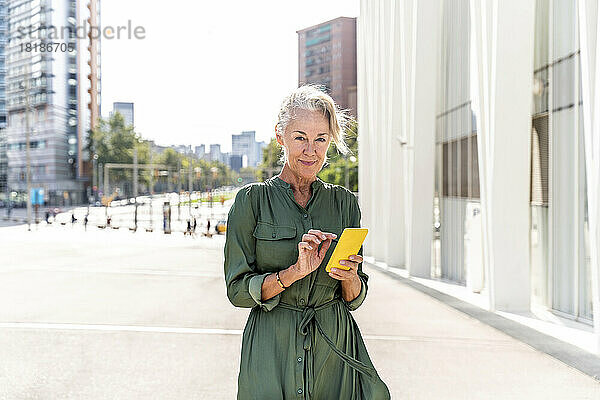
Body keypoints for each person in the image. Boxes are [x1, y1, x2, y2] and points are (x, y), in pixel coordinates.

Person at [224, 85, 390, 399]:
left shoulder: (344, 204)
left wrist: (350, 277)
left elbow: (355, 299)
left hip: (334, 351)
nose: (310, 151)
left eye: (320, 139)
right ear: (280, 136)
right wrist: (293, 272)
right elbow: (236, 292)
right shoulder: (252, 201)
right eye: (300, 137)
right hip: (271, 349)